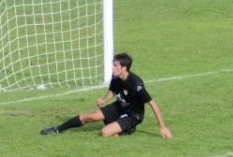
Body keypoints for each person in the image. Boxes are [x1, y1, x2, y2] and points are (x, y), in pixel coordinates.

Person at [40, 52, 172, 139]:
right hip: (119, 107)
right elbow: (113, 91)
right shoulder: (116, 77)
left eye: (115, 65)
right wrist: (104, 100)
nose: (112, 68)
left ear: (124, 68)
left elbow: (152, 104)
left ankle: (128, 129)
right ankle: (58, 129)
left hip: (132, 115)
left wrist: (162, 127)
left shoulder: (136, 84)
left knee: (105, 133)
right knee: (91, 116)